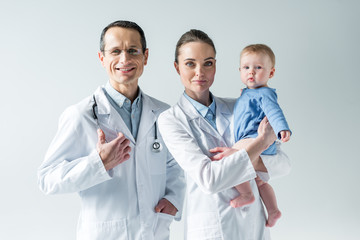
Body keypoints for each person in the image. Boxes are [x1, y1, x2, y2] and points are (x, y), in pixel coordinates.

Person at [38, 20, 185, 240]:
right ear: (102, 58)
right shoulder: (82, 115)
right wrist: (98, 163)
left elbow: (176, 164)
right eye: (115, 51)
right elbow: (47, 179)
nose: (124, 59)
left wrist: (174, 198)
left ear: (145, 56)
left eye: (132, 50)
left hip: (154, 231)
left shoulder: (164, 114)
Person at [158, 29, 291, 239]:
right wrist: (260, 144)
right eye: (190, 63)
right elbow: (209, 179)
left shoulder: (240, 106)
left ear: (215, 66)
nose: (200, 72)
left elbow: (283, 163)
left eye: (208, 63)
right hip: (212, 227)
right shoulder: (171, 120)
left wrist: (243, 156)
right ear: (177, 67)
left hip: (254, 226)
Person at [223, 44, 292, 227]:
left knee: (230, 157)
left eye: (258, 67)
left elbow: (274, 111)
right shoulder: (248, 93)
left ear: (271, 72)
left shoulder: (264, 93)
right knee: (259, 181)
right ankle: (273, 210)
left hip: (256, 138)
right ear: (239, 70)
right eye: (246, 68)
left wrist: (282, 129)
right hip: (251, 141)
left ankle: (246, 194)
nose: (251, 72)